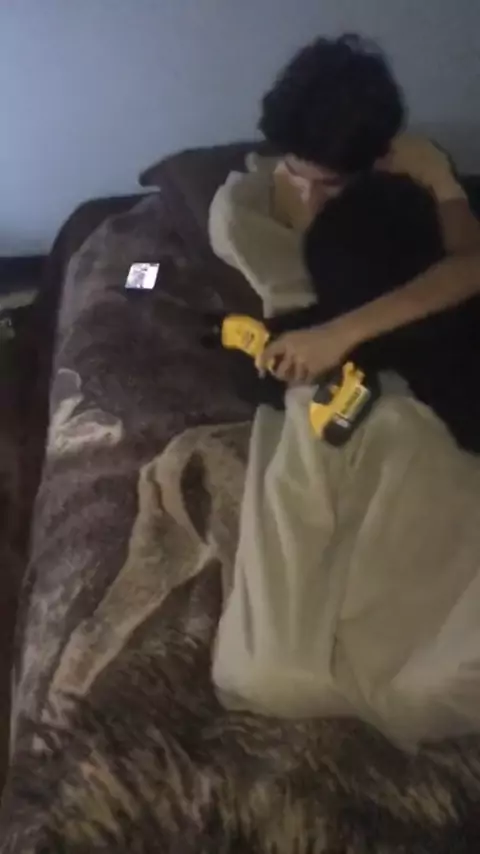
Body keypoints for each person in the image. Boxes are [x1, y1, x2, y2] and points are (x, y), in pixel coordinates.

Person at [257, 35, 480, 385]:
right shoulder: (249, 195)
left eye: (329, 184)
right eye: (296, 175)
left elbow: (471, 262)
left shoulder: (410, 169)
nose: (310, 199)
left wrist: (338, 335)